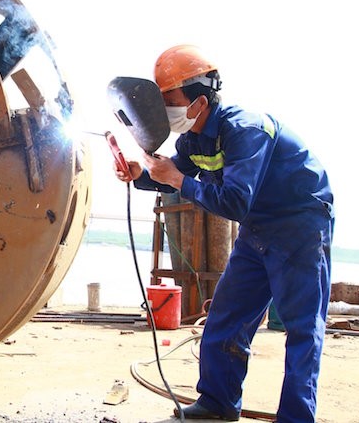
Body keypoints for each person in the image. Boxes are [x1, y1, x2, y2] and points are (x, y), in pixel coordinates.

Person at [115, 45, 334, 422]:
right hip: (257, 228)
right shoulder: (194, 139)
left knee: (301, 328)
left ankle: (297, 417)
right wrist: (141, 174)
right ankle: (217, 403)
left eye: (169, 99)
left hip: (300, 224)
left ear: (199, 100)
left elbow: (231, 202)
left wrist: (178, 178)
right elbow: (174, 175)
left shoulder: (245, 129)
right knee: (226, 316)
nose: (164, 109)